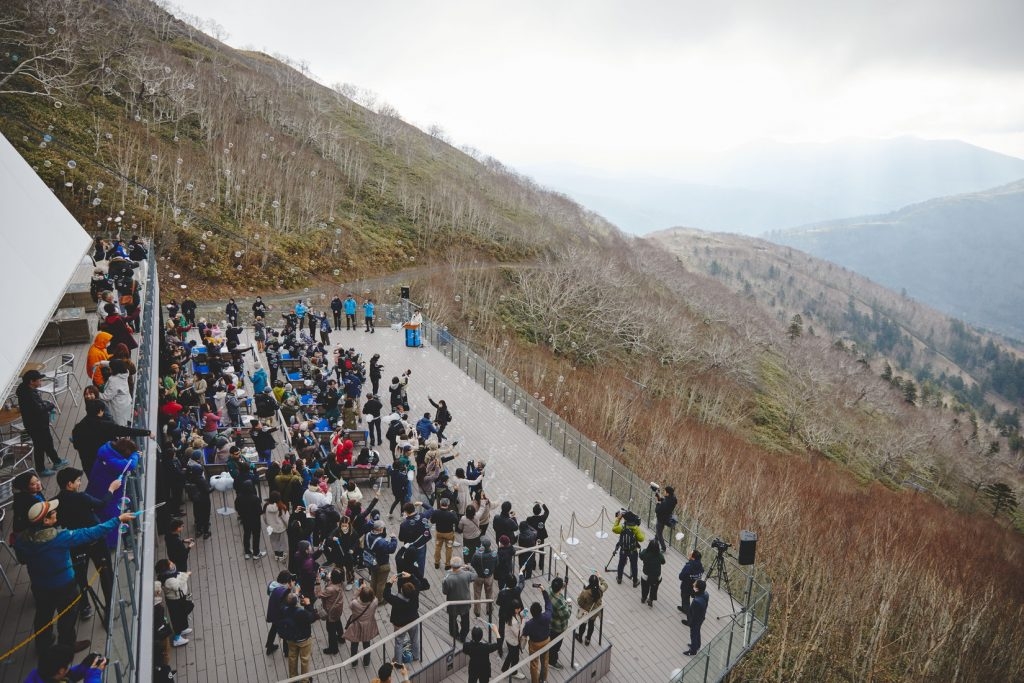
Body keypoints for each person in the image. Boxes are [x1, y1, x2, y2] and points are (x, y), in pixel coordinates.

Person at [16, 499, 135, 656]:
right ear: (45, 520)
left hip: (40, 585)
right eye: (52, 513)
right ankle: (67, 646)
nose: (56, 512)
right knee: (67, 616)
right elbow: (89, 533)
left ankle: (43, 644)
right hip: (64, 584)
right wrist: (117, 520)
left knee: (43, 615)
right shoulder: (60, 537)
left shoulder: (22, 540)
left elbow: (22, 559)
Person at [55, 467, 121, 613]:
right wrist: (111, 488)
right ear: (69, 484)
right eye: (78, 481)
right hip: (95, 539)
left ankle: (84, 606)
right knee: (105, 573)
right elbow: (101, 504)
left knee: (80, 576)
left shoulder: (54, 502)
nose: (80, 483)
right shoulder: (81, 497)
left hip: (75, 543)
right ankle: (109, 606)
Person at [71, 400, 151, 476]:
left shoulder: (78, 428)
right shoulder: (105, 425)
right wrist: (147, 433)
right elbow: (125, 430)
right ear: (100, 411)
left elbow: (76, 446)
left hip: (88, 465)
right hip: (106, 463)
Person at [16, 369, 66, 475]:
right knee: (41, 446)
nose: (40, 382)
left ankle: (56, 461)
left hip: (34, 424)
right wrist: (50, 405)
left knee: (46, 443)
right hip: (37, 425)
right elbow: (38, 409)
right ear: (31, 382)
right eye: (38, 380)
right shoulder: (29, 394)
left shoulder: (24, 389)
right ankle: (41, 469)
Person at [383, 571, 423, 663]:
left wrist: (390, 582)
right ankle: (416, 656)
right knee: (414, 639)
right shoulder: (415, 594)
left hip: (399, 624)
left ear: (402, 591)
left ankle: (398, 661)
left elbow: (386, 595)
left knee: (399, 642)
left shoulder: (396, 600)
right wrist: (411, 576)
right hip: (413, 621)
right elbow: (418, 583)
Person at [277, 591, 318, 679]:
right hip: (304, 640)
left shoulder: (284, 610)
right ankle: (304, 680)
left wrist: (293, 595)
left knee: (292, 658)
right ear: (297, 602)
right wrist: (308, 605)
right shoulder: (301, 613)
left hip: (291, 639)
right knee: (304, 660)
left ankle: (293, 678)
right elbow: (312, 618)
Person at [155, 558, 193, 647]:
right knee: (177, 619)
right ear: (166, 569)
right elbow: (177, 585)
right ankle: (177, 638)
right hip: (175, 601)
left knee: (182, 614)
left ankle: (183, 628)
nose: (172, 563)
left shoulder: (170, 574)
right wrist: (186, 575)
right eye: (170, 564)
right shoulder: (168, 580)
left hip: (179, 598)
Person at [23, 644, 107, 682]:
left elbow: (68, 676)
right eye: (67, 665)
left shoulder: (40, 674)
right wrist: (94, 673)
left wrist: (85, 666)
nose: (68, 668)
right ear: (61, 670)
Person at [343, 584, 380, 667]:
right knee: (367, 644)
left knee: (354, 645)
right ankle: (366, 662)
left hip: (356, 626)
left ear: (361, 595)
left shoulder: (355, 603)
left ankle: (354, 663)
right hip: (368, 626)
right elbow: (375, 598)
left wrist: (358, 590)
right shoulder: (374, 602)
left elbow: (351, 603)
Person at [441, 556, 477, 642]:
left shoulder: (448, 578)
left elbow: (445, 592)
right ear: (461, 565)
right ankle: (463, 636)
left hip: (452, 604)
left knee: (452, 620)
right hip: (465, 602)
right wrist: (469, 567)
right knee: (465, 621)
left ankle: (454, 634)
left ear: (451, 565)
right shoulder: (466, 574)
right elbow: (475, 575)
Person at [523, 586, 553, 683]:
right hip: (546, 641)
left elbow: (525, 633)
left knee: (534, 664)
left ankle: (535, 681)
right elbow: (549, 604)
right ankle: (543, 679)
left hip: (534, 644)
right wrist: (543, 591)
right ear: (541, 610)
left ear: (531, 612)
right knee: (545, 661)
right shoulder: (547, 617)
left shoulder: (529, 624)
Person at [363, 519, 398, 599]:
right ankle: (379, 599)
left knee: (373, 580)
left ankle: (371, 595)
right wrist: (394, 539)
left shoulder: (368, 534)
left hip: (371, 561)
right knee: (381, 583)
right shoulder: (381, 542)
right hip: (382, 564)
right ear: (381, 529)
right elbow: (392, 549)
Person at [265, 570, 296, 655]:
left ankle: (269, 646)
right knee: (286, 632)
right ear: (287, 581)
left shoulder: (272, 585)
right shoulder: (283, 591)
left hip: (273, 611)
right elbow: (288, 602)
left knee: (273, 629)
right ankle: (286, 651)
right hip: (281, 615)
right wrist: (291, 589)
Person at [316, 568, 347, 655]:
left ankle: (333, 649)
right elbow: (331, 580)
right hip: (338, 608)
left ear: (333, 578)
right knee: (338, 622)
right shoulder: (340, 583)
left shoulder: (330, 589)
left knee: (331, 629)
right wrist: (325, 576)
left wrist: (318, 582)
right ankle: (341, 638)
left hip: (331, 611)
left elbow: (318, 594)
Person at [574, 573, 608, 646]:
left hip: (586, 612)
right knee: (591, 624)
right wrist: (600, 577)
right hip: (595, 611)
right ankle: (588, 639)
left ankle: (580, 637)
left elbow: (580, 602)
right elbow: (605, 585)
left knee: (583, 624)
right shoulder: (600, 589)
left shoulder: (585, 592)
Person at [612, 509, 644, 586]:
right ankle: (635, 581)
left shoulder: (622, 527)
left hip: (623, 549)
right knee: (634, 566)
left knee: (621, 564)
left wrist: (618, 519)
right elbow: (641, 539)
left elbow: (614, 529)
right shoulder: (636, 528)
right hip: (633, 550)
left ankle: (619, 579)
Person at [236, 480, 266, 560]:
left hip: (245, 520)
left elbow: (237, 508)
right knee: (256, 536)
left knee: (246, 535)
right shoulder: (255, 498)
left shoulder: (239, 497)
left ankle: (247, 552)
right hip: (255, 520)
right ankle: (256, 553)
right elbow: (260, 511)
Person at [99, 359, 133, 425]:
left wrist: (96, 392)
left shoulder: (114, 381)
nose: (109, 369)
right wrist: (101, 363)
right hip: (126, 402)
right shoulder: (124, 373)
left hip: (118, 408)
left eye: (111, 368)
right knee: (125, 420)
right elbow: (114, 364)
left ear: (115, 369)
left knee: (119, 424)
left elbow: (106, 397)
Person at [547, 576, 572, 669]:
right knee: (556, 645)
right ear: (560, 588)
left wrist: (563, 584)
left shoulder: (550, 591)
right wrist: (569, 605)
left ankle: (551, 653)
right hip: (558, 627)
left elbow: (554, 587)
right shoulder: (559, 602)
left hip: (550, 621)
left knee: (551, 640)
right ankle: (552, 661)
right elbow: (566, 615)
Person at [470, 537, 497, 618]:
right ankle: (489, 609)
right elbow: (497, 563)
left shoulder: (477, 555)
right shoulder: (494, 554)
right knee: (489, 593)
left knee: (477, 594)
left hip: (478, 576)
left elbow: (472, 564)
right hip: (489, 577)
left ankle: (477, 611)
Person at [684, 580, 709, 656]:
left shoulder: (696, 602)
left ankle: (693, 650)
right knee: (697, 631)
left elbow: (693, 614)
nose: (693, 584)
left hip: (696, 620)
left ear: (697, 589)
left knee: (693, 634)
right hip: (701, 618)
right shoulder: (706, 594)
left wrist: (690, 623)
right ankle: (697, 645)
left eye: (694, 585)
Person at [639, 540, 666, 607]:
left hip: (646, 574)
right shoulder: (659, 555)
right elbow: (663, 562)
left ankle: (643, 598)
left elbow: (641, 556)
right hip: (656, 576)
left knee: (645, 587)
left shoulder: (645, 552)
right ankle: (651, 599)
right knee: (654, 588)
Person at [678, 550, 705, 615]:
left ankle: (687, 611)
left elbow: (681, 576)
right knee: (689, 597)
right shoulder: (700, 566)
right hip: (695, 586)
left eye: (690, 554)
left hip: (686, 586)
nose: (689, 554)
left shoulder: (688, 566)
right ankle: (685, 608)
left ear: (693, 558)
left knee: (685, 598)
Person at [654, 485, 677, 552]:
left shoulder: (666, 502)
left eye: (665, 491)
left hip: (661, 518)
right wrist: (660, 498)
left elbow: (657, 510)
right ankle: (655, 540)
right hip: (667, 517)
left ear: (667, 493)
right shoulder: (673, 498)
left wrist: (658, 502)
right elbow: (665, 500)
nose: (664, 492)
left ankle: (663, 548)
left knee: (659, 532)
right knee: (659, 530)